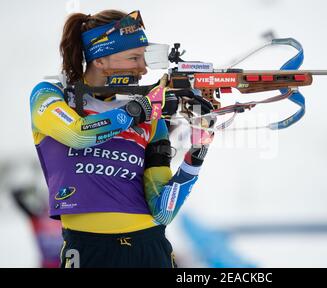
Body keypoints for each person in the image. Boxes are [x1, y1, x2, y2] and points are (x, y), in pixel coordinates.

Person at [29, 9, 214, 268]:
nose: (143, 67)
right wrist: (136, 111)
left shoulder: (149, 117)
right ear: (100, 59)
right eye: (134, 57)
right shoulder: (52, 95)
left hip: (149, 247)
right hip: (87, 248)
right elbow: (77, 134)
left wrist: (196, 154)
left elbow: (163, 211)